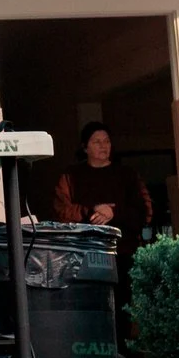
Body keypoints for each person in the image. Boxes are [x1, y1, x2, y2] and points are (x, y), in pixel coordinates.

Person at [48, 121, 155, 342]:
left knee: (122, 307)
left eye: (106, 141)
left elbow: (145, 212)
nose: (103, 146)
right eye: (97, 142)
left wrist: (113, 213)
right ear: (85, 147)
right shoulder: (71, 176)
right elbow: (61, 211)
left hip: (122, 254)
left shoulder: (127, 174)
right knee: (88, 309)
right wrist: (91, 212)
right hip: (83, 255)